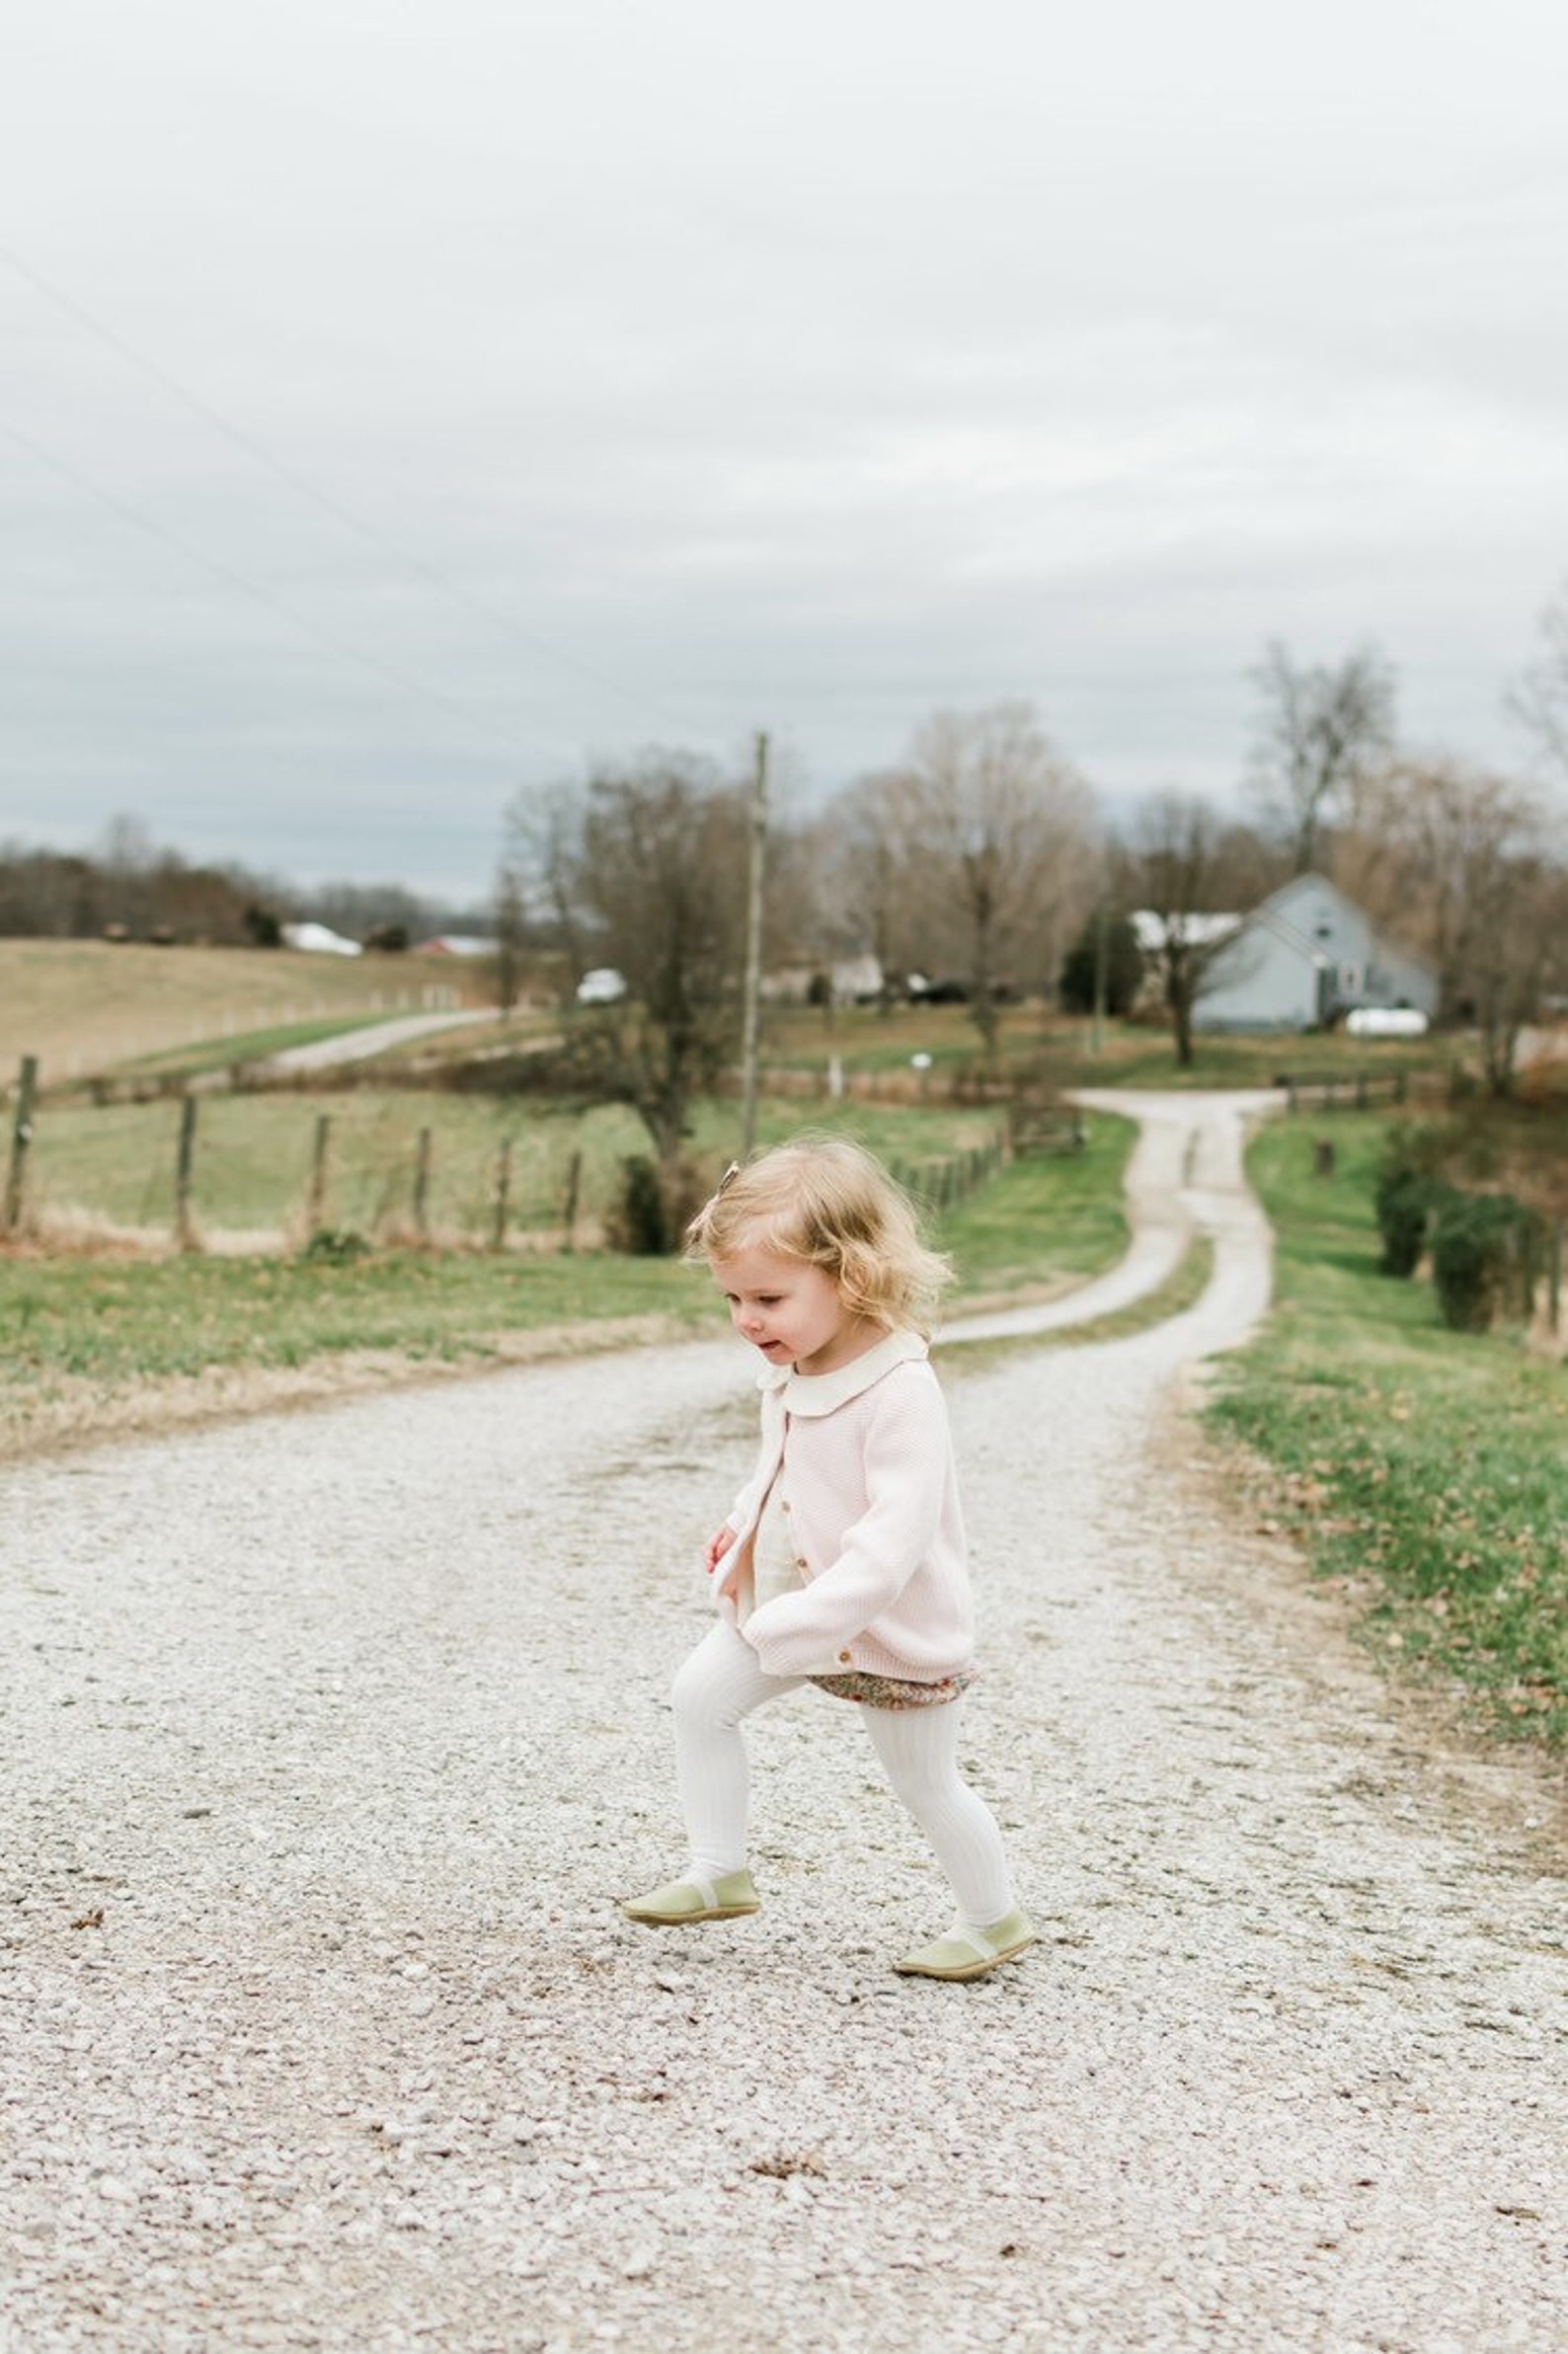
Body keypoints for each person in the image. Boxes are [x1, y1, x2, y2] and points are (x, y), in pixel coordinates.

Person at [623, 1135, 1033, 1982]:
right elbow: (777, 1470)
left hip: (883, 1625)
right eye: (732, 1299)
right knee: (699, 1699)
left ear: (852, 1277)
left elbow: (889, 1547)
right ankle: (717, 1869)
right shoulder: (792, 1367)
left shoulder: (900, 1393)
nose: (747, 1320)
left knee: (924, 1783)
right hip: (789, 1604)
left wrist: (799, 1624)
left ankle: (992, 1919)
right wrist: (742, 1529)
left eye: (768, 1296)